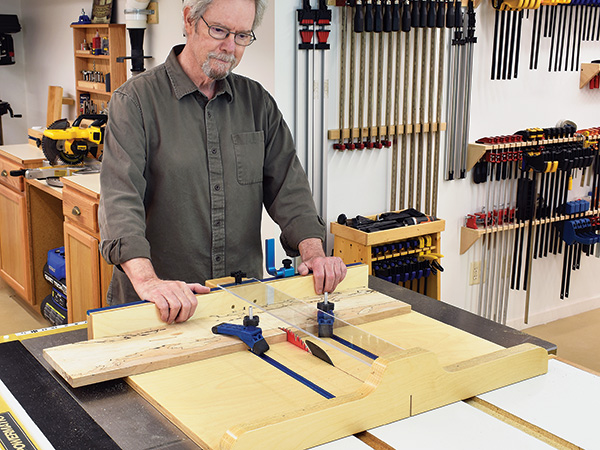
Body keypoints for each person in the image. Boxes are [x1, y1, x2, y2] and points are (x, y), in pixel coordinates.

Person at [98, 0, 347, 324]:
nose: (230, 47)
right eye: (219, 30)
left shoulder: (258, 104)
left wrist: (314, 254)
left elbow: (290, 189)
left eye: (242, 35)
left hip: (240, 303)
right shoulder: (135, 102)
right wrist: (148, 281)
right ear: (189, 20)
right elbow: (120, 201)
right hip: (157, 308)